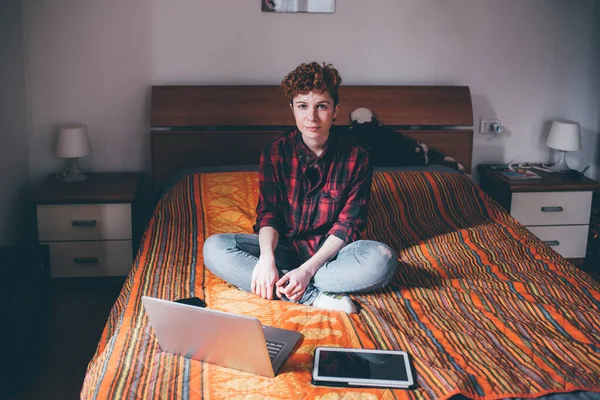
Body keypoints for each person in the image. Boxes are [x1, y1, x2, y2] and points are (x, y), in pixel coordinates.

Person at [203, 62, 397, 314]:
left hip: (332, 257)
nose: (312, 118)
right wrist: (265, 259)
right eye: (303, 106)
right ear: (293, 109)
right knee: (215, 249)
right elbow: (268, 213)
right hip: (282, 249)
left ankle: (281, 285)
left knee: (381, 260)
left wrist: (307, 270)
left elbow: (348, 225)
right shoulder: (275, 152)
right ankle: (314, 297)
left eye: (322, 107)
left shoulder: (357, 156)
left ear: (335, 110)